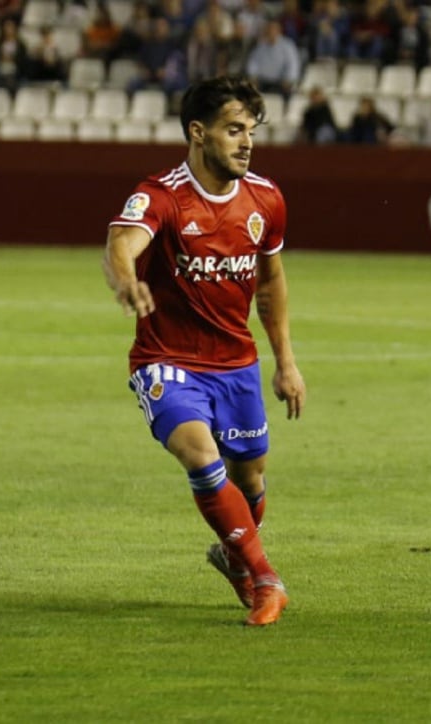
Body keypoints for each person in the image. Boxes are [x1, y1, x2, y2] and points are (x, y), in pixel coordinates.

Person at [102, 75, 304, 627]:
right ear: (198, 133)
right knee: (199, 454)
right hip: (167, 359)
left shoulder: (265, 199)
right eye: (233, 130)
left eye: (251, 131)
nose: (246, 142)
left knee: (251, 478)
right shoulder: (162, 195)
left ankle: (234, 555)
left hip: (236, 363)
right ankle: (265, 579)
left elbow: (270, 282)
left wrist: (286, 361)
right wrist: (125, 280)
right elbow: (123, 242)